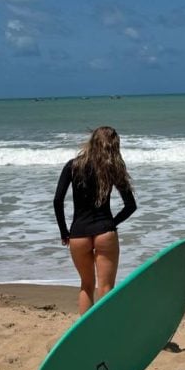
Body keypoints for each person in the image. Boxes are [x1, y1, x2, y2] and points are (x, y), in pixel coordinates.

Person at [54, 126, 137, 315]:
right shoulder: (112, 167)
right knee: (106, 287)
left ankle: (85, 335)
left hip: (78, 233)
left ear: (92, 141)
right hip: (105, 231)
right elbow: (130, 205)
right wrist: (111, 224)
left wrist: (64, 232)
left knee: (86, 285)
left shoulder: (73, 166)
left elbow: (57, 200)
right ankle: (106, 331)